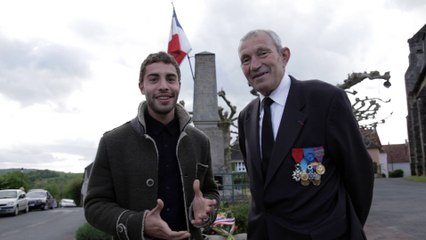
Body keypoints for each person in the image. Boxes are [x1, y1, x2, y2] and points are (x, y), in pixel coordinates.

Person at [237, 29, 374, 239]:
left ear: (284, 56)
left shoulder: (325, 100)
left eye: (262, 53)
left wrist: (344, 229)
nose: (254, 65)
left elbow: (359, 174)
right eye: (246, 59)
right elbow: (260, 186)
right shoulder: (246, 117)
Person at [84, 51, 219, 240]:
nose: (164, 86)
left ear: (179, 85)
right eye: (154, 79)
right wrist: (139, 223)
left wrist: (205, 208)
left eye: (171, 79)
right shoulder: (112, 142)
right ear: (141, 86)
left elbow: (210, 191)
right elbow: (94, 206)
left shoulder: (200, 141)